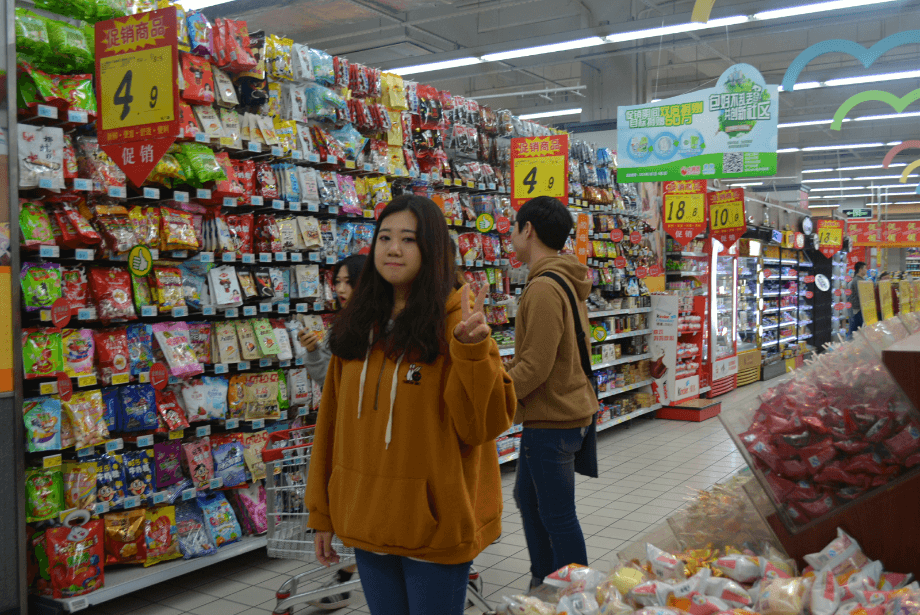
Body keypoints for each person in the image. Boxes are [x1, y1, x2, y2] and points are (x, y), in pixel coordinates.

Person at [305, 194, 516, 615]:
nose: (393, 249)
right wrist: (322, 513)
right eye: (385, 237)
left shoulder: (458, 324)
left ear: (432, 248)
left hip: (434, 528)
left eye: (408, 239)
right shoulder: (356, 325)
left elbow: (482, 426)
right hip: (365, 519)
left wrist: (473, 354)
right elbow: (329, 426)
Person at [505, 196, 599, 588]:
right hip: (562, 411)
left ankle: (579, 595)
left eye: (513, 228)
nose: (510, 236)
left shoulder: (544, 287)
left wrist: (493, 391)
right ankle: (542, 581)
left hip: (552, 418)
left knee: (557, 515)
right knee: (528, 499)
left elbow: (535, 366)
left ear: (528, 229)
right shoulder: (564, 278)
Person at [296, 254, 366, 610]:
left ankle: (346, 575)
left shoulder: (380, 326)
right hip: (349, 435)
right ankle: (347, 574)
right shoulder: (343, 325)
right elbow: (331, 380)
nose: (340, 288)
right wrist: (313, 351)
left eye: (348, 282)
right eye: (336, 281)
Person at [849, 261, 868, 335]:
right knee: (857, 330)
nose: (866, 270)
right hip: (859, 309)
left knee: (857, 329)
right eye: (865, 268)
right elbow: (861, 295)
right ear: (860, 269)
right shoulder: (858, 280)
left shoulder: (860, 279)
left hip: (860, 308)